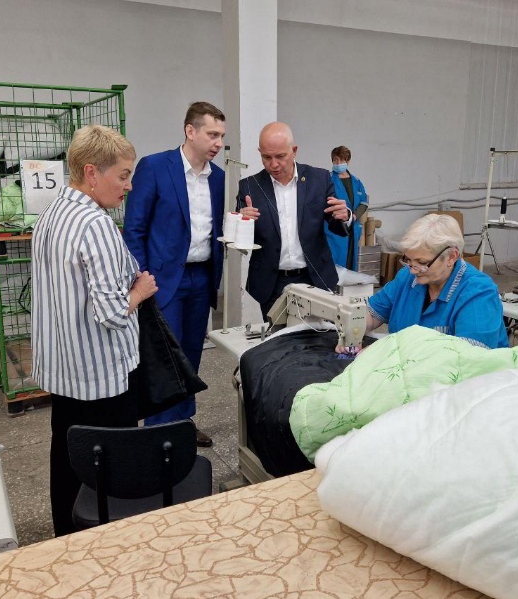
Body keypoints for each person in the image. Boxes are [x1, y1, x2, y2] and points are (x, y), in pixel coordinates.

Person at [32, 125, 158, 537]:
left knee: (68, 460)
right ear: (91, 172)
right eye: (122, 175)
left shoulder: (52, 213)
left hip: (64, 369)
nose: (128, 185)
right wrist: (139, 291)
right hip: (102, 377)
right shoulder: (95, 225)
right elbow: (112, 313)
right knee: (110, 470)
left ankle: (66, 537)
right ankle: (109, 542)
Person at [123, 102, 226, 448]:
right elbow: (134, 228)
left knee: (191, 354)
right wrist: (141, 278)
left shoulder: (218, 178)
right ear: (190, 131)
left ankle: (183, 422)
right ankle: (158, 432)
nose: (218, 143)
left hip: (202, 277)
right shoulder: (155, 167)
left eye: (221, 136)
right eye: (212, 134)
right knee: (163, 355)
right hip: (163, 280)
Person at [237, 122, 352, 319]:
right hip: (272, 282)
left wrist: (345, 216)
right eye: (266, 157)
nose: (274, 164)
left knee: (318, 334)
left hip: (314, 277)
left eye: (280, 156)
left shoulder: (319, 179)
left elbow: (336, 224)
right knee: (277, 336)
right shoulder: (249, 186)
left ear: (294, 151)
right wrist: (242, 223)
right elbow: (242, 243)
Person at [348, 213, 508, 351]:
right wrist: (352, 332)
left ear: (451, 257)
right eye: (408, 260)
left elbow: (467, 358)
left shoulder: (478, 293)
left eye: (422, 263)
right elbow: (372, 314)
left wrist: (384, 353)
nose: (413, 270)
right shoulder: (407, 278)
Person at [326, 146, 368, 270]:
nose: (338, 163)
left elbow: (364, 203)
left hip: (353, 228)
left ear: (348, 161)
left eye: (342, 160)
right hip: (335, 229)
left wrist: (353, 216)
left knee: (351, 262)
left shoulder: (356, 182)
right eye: (335, 160)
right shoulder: (327, 180)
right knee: (335, 264)